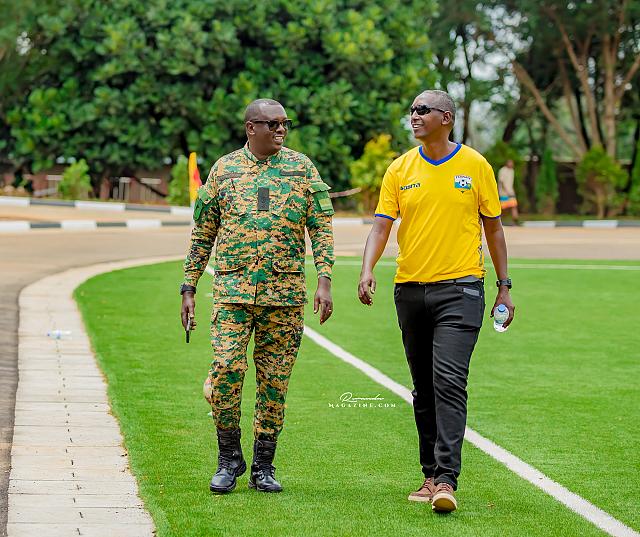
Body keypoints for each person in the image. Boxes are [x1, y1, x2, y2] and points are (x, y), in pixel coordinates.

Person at [358, 90, 515, 513]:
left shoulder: (475, 166)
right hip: (409, 292)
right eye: (412, 110)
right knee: (424, 389)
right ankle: (429, 475)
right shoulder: (399, 168)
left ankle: (446, 480)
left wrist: (504, 285)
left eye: (423, 110)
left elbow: (494, 229)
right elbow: (381, 226)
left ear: (446, 117)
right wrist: (368, 268)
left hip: (460, 291)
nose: (414, 116)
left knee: (449, 381)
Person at [180, 98, 335, 494]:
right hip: (232, 293)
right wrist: (189, 286)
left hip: (284, 297)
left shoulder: (302, 168)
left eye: (285, 124)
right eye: (273, 124)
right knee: (226, 370)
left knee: (274, 384)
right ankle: (228, 458)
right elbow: (202, 234)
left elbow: (321, 227)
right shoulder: (224, 169)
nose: (281, 130)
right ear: (251, 127)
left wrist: (325, 278)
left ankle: (263, 466)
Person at [498, 159, 520, 225]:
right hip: (503, 193)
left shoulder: (512, 171)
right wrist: (507, 191)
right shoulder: (502, 170)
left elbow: (510, 183)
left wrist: (512, 191)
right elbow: (502, 182)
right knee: (504, 208)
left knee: (514, 206)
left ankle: (515, 221)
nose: (511, 164)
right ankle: (499, 220)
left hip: (510, 192)